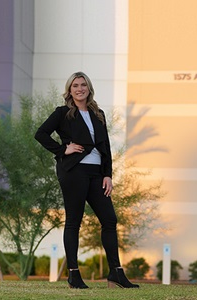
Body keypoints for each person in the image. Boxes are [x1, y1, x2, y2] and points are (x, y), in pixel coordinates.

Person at [35, 71, 139, 289]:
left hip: (96, 173)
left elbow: (106, 147)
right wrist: (64, 149)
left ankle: (115, 273)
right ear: (69, 90)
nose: (80, 88)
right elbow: (41, 134)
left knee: (109, 220)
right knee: (74, 220)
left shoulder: (97, 114)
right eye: (75, 85)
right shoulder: (63, 113)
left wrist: (108, 174)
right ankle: (73, 274)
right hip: (74, 171)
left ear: (89, 88)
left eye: (83, 85)